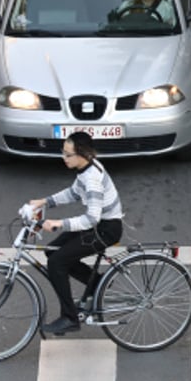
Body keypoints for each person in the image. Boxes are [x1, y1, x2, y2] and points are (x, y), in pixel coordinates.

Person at [27, 132, 124, 335]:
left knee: (56, 263)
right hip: (99, 226)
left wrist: (57, 223)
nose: (64, 158)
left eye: (68, 154)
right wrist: (44, 201)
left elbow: (91, 219)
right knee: (53, 252)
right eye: (63, 152)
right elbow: (73, 193)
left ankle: (69, 318)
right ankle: (98, 284)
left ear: (83, 154)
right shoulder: (87, 168)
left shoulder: (92, 180)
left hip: (105, 230)